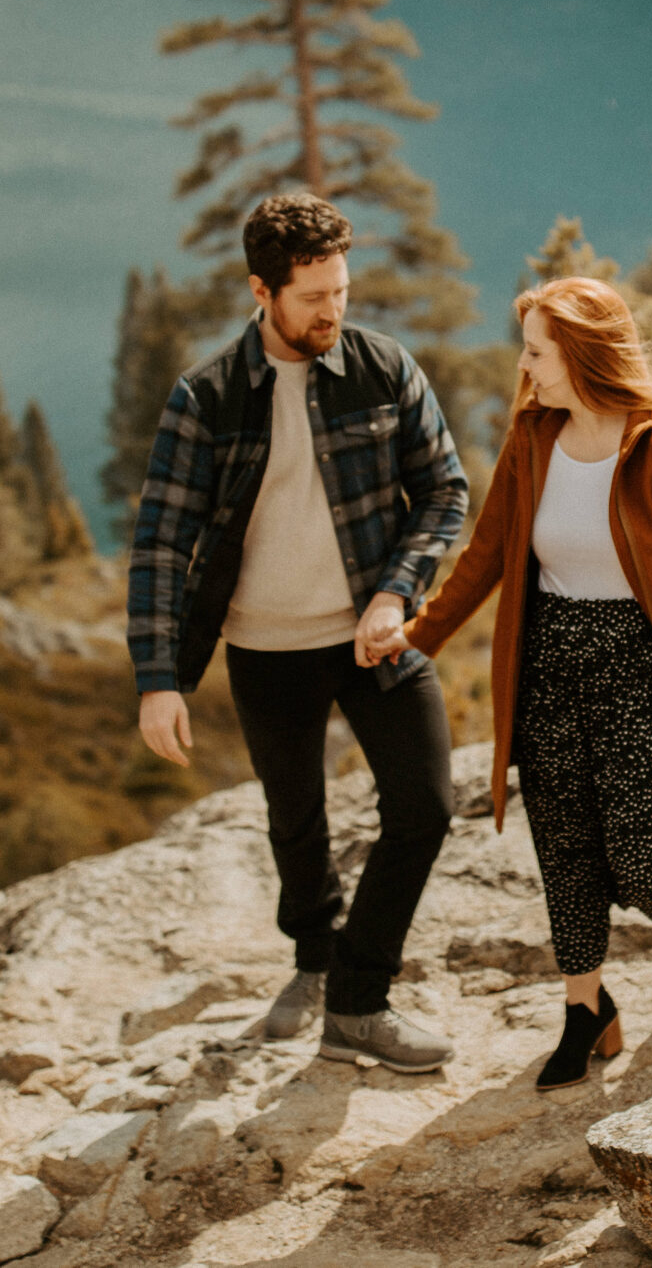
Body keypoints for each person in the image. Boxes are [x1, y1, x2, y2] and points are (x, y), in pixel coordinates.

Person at [129, 193, 468, 1074]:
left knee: (426, 806)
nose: (334, 311)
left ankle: (358, 996)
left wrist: (397, 592)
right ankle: (316, 962)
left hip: (371, 633)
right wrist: (157, 677)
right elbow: (162, 542)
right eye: (314, 296)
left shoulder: (384, 368)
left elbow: (444, 492)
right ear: (261, 289)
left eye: (342, 290)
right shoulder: (206, 398)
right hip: (266, 646)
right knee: (297, 821)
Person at [378, 276, 652, 1090]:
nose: (525, 366)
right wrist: (416, 637)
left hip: (643, 670)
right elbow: (485, 555)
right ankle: (586, 1009)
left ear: (580, 353)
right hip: (550, 666)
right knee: (566, 848)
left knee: (643, 847)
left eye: (537, 350)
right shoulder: (533, 438)